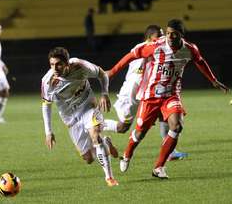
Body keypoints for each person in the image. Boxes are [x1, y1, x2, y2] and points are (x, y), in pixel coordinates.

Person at [107, 19, 229, 179]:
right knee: (139, 133)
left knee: (177, 126)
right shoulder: (156, 46)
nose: (170, 36)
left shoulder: (190, 49)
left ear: (181, 36)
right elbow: (131, 55)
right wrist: (112, 71)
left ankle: (159, 167)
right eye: (168, 33)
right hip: (151, 96)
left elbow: (200, 61)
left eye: (174, 34)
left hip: (171, 95)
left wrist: (213, 80)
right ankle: (128, 154)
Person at [104, 25, 188, 161]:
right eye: (159, 36)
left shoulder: (162, 47)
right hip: (132, 94)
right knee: (123, 127)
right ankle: (95, 124)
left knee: (165, 117)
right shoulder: (143, 48)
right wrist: (113, 72)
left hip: (150, 93)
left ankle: (170, 152)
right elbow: (135, 75)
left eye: (163, 35)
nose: (163, 38)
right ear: (149, 38)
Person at [41, 47, 119, 187]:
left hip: (88, 107)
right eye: (52, 64)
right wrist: (48, 132)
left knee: (95, 135)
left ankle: (109, 177)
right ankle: (106, 142)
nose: (55, 68)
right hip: (70, 118)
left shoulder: (80, 66)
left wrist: (105, 94)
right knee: (88, 158)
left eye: (58, 64)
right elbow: (46, 105)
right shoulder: (48, 82)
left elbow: (102, 74)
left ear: (67, 63)